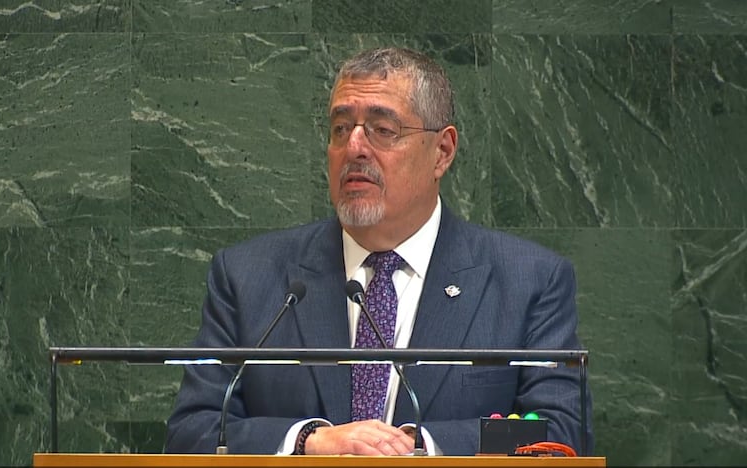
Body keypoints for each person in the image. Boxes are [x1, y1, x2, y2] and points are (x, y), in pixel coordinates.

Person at [165, 47, 593, 456]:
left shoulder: (528, 281)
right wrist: (307, 440)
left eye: (382, 130)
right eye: (340, 128)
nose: (354, 147)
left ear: (442, 152)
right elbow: (192, 431)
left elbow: (559, 431)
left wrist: (418, 446)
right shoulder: (248, 276)